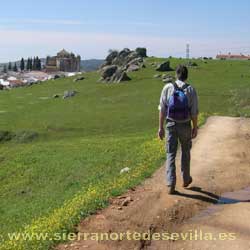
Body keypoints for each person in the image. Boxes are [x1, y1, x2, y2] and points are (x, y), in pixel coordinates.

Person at [158, 64, 199, 194]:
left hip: (170, 124)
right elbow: (194, 112)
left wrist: (160, 128)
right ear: (186, 76)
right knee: (185, 152)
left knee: (170, 153)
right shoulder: (191, 90)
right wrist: (195, 127)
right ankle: (186, 179)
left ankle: (170, 184)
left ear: (176, 74)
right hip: (185, 125)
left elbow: (162, 110)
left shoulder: (167, 87)